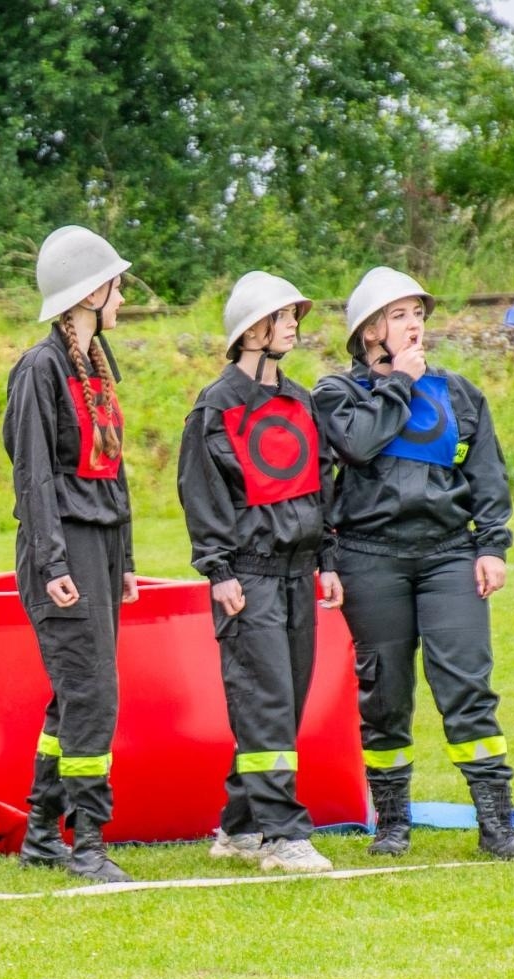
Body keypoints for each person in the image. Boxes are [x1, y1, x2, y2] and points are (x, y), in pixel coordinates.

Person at [313, 266, 514, 861]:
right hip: (369, 559)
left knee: (467, 687)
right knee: (385, 697)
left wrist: (491, 546)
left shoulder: (460, 393)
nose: (414, 324)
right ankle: (392, 825)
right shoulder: (336, 394)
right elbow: (356, 446)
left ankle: (498, 825)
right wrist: (400, 382)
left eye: (418, 313)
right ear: (369, 332)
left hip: (449, 557)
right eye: (399, 315)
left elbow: (486, 476)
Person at [178, 271, 343, 874]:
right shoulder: (215, 407)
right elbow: (201, 493)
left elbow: (321, 483)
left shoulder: (301, 401)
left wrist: (326, 560)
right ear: (252, 331)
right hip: (247, 576)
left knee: (283, 703)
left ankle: (239, 828)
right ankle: (283, 835)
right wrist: (218, 569)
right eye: (282, 317)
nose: (294, 326)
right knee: (266, 700)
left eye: (295, 316)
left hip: (299, 573)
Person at [3, 225, 137, 883]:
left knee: (75, 693)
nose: (124, 297)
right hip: (62, 547)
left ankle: (39, 833)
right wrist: (53, 563)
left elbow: (113, 466)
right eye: (116, 285)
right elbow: (32, 474)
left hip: (102, 544)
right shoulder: (41, 367)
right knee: (94, 694)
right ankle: (87, 843)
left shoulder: (99, 362)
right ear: (88, 293)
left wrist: (126, 556)